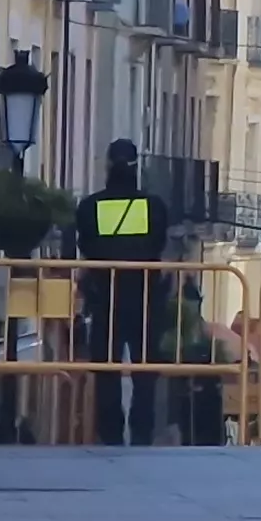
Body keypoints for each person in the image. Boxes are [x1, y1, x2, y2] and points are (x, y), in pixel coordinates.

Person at [61, 139, 173, 447]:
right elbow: (159, 243)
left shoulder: (90, 206)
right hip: (145, 298)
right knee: (145, 370)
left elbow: (85, 244)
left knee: (106, 369)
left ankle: (110, 432)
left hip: (105, 298)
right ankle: (141, 432)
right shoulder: (153, 206)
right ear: (136, 168)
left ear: (108, 166)